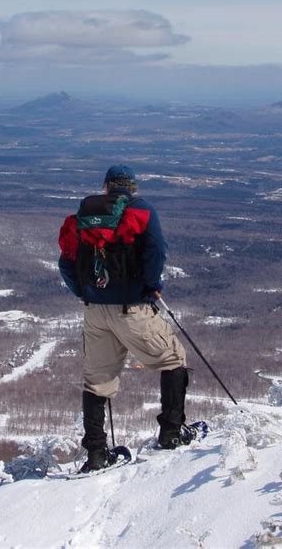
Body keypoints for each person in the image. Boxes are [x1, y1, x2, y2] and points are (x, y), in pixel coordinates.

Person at [58, 164, 190, 472]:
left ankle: (96, 455)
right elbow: (157, 250)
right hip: (132, 308)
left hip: (94, 310)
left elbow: (66, 261)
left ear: (106, 187)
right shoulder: (141, 210)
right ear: (132, 187)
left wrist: (85, 292)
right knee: (172, 359)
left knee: (97, 381)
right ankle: (171, 433)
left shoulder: (85, 215)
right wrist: (151, 285)